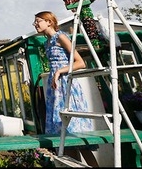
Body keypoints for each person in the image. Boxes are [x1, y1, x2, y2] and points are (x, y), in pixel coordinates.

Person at [34, 11, 98, 167]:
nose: (35, 24)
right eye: (34, 22)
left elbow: (80, 62)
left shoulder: (61, 37)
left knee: (75, 136)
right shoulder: (47, 42)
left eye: (38, 21)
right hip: (54, 91)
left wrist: (59, 71)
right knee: (63, 140)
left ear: (49, 21)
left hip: (66, 88)